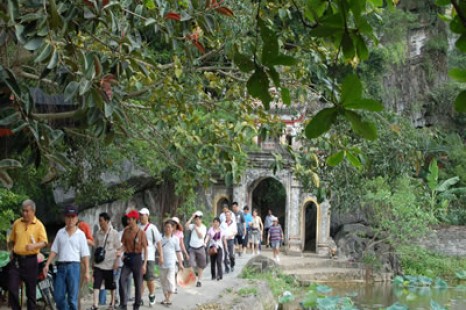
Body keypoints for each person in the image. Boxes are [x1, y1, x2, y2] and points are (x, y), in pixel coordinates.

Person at [43, 204, 90, 310]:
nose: (70, 220)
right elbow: (54, 250)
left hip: (74, 267)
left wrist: (87, 271)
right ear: (65, 217)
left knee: (73, 299)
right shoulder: (60, 233)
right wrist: (46, 265)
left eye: (73, 217)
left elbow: (85, 254)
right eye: (68, 217)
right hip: (61, 267)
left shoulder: (81, 235)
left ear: (77, 218)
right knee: (58, 296)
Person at [8, 199, 48, 310]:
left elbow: (44, 242)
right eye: (23, 211)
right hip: (16, 261)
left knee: (31, 292)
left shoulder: (39, 225)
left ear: (33, 211)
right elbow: (11, 240)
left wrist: (34, 246)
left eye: (27, 211)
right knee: (12, 288)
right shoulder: (17, 223)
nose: (24, 213)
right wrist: (11, 250)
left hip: (30, 261)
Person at [89, 212, 121, 310]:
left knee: (110, 285)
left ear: (107, 221)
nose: (100, 223)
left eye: (101, 221)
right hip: (99, 263)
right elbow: (96, 247)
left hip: (110, 263)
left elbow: (118, 249)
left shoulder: (114, 233)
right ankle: (95, 305)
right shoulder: (98, 233)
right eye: (99, 221)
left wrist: (117, 262)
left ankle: (111, 303)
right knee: (96, 283)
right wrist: (93, 262)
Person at [118, 210, 148, 310]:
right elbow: (124, 245)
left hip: (137, 259)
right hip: (127, 258)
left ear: (135, 220)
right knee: (121, 279)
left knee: (138, 284)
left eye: (130, 219)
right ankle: (123, 304)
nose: (128, 221)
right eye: (127, 219)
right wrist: (120, 251)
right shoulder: (126, 231)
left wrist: (144, 264)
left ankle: (136, 305)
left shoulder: (141, 233)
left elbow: (145, 249)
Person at [138, 208, 163, 306]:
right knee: (140, 279)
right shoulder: (138, 227)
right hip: (139, 256)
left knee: (149, 279)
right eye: (140, 215)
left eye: (143, 215)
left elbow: (159, 242)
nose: (141, 217)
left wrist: (161, 256)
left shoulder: (152, 227)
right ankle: (139, 297)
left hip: (150, 257)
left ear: (147, 216)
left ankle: (152, 294)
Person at [159, 219, 184, 305]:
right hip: (162, 263)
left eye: (169, 227)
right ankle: (166, 298)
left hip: (171, 263)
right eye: (166, 227)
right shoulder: (160, 237)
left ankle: (169, 298)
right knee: (163, 281)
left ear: (173, 228)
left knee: (170, 279)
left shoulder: (175, 239)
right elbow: (156, 248)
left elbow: (178, 251)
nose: (167, 228)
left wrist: (180, 263)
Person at [184, 210, 207, 287]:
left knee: (201, 265)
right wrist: (191, 217)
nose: (196, 220)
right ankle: (193, 277)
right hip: (192, 248)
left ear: (201, 219)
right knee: (191, 263)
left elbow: (201, 236)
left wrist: (196, 228)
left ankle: (199, 280)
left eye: (198, 219)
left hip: (200, 248)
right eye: (195, 219)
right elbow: (186, 226)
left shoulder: (203, 227)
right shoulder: (192, 225)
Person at [77, 219, 95, 310]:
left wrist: (82, 239)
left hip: (81, 261)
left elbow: (92, 242)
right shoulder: (65, 229)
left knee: (77, 288)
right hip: (69, 262)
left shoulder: (83, 225)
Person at [171, 216, 189, 293]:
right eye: (172, 223)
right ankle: (173, 286)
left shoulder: (180, 233)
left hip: (178, 253)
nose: (173, 225)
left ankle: (174, 286)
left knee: (177, 271)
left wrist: (186, 253)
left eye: (175, 223)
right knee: (173, 270)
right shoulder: (168, 231)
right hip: (171, 253)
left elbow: (182, 244)